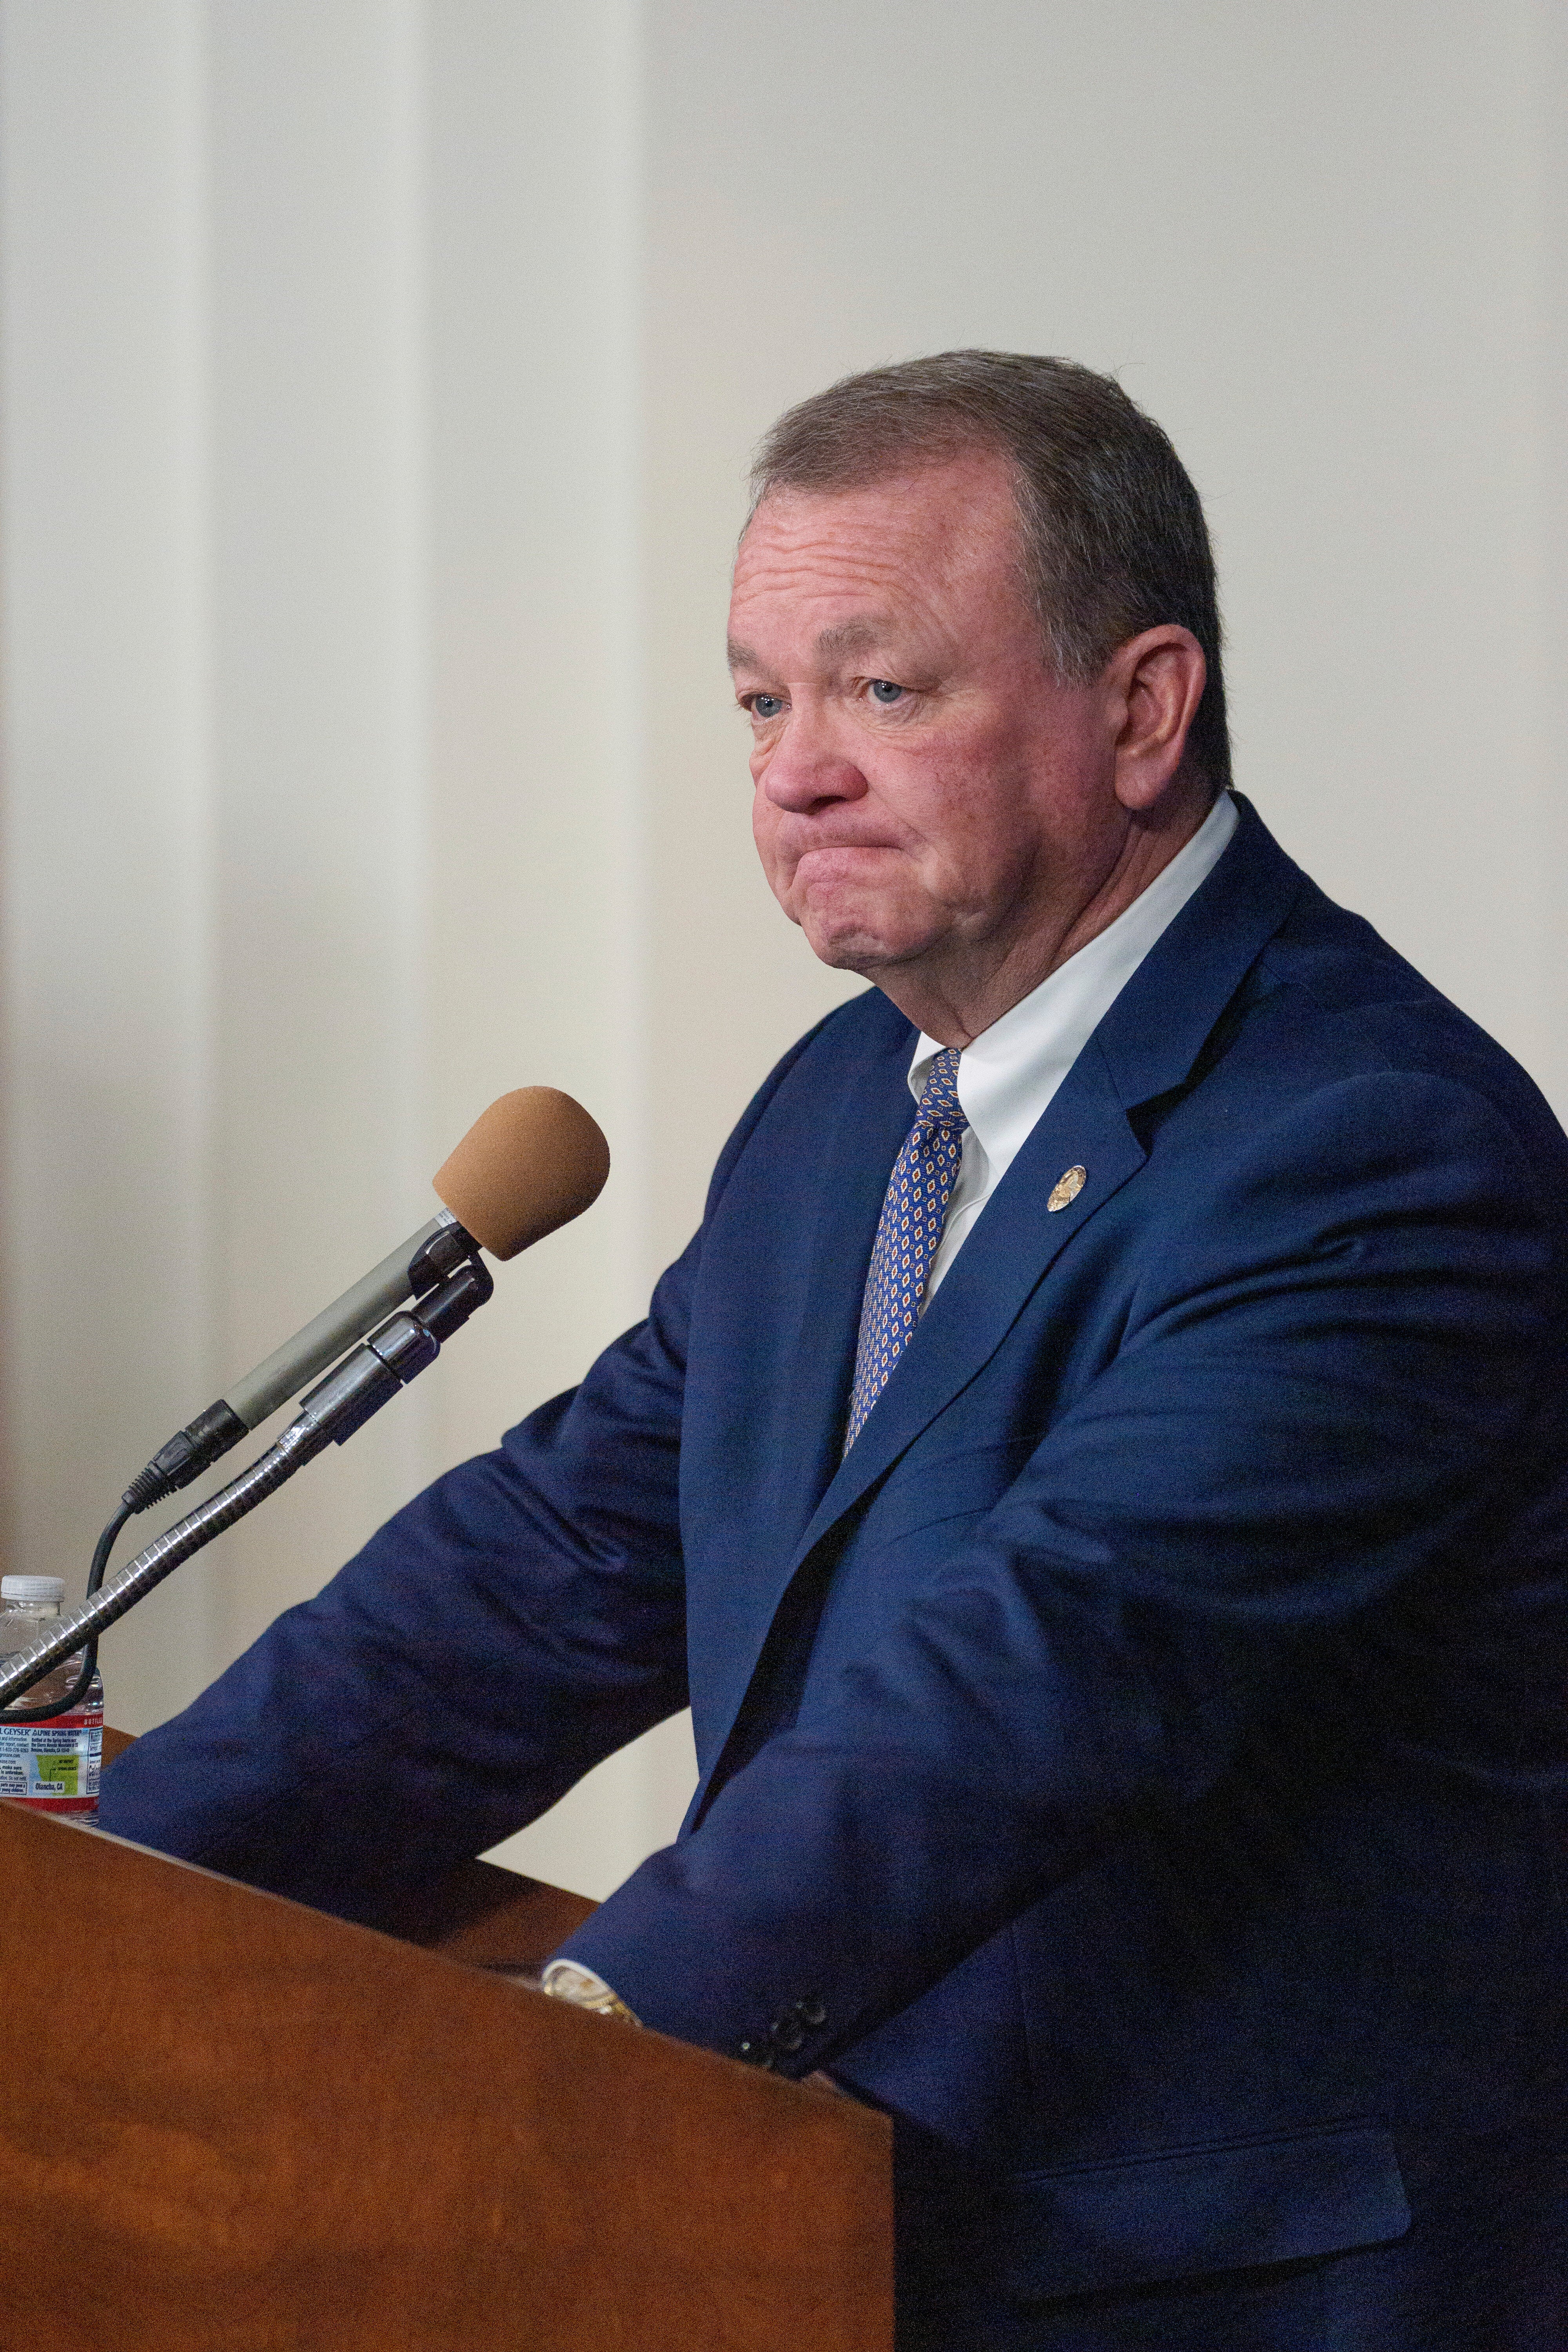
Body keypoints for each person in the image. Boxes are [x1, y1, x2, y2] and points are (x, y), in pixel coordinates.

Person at [99, 353, 1568, 2349]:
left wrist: (587, 2050)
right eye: (762, 702)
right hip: (887, 2245)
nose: (794, 771)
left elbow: (1043, 1671)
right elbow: (547, 1573)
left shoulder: (1361, 1144)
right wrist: (106, 1903)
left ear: (1140, 711)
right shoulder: (850, 1110)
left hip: (1234, 2289)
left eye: (882, 690)